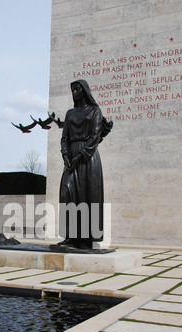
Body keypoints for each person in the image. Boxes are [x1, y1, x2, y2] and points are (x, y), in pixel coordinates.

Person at [59, 79, 113, 249]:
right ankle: (71, 236)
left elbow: (95, 136)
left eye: (77, 89)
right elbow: (64, 138)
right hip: (72, 156)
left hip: (88, 158)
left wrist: (80, 156)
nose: (74, 92)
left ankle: (86, 239)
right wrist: (66, 155)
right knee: (66, 193)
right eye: (72, 90)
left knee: (87, 197)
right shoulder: (70, 113)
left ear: (84, 91)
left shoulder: (95, 111)